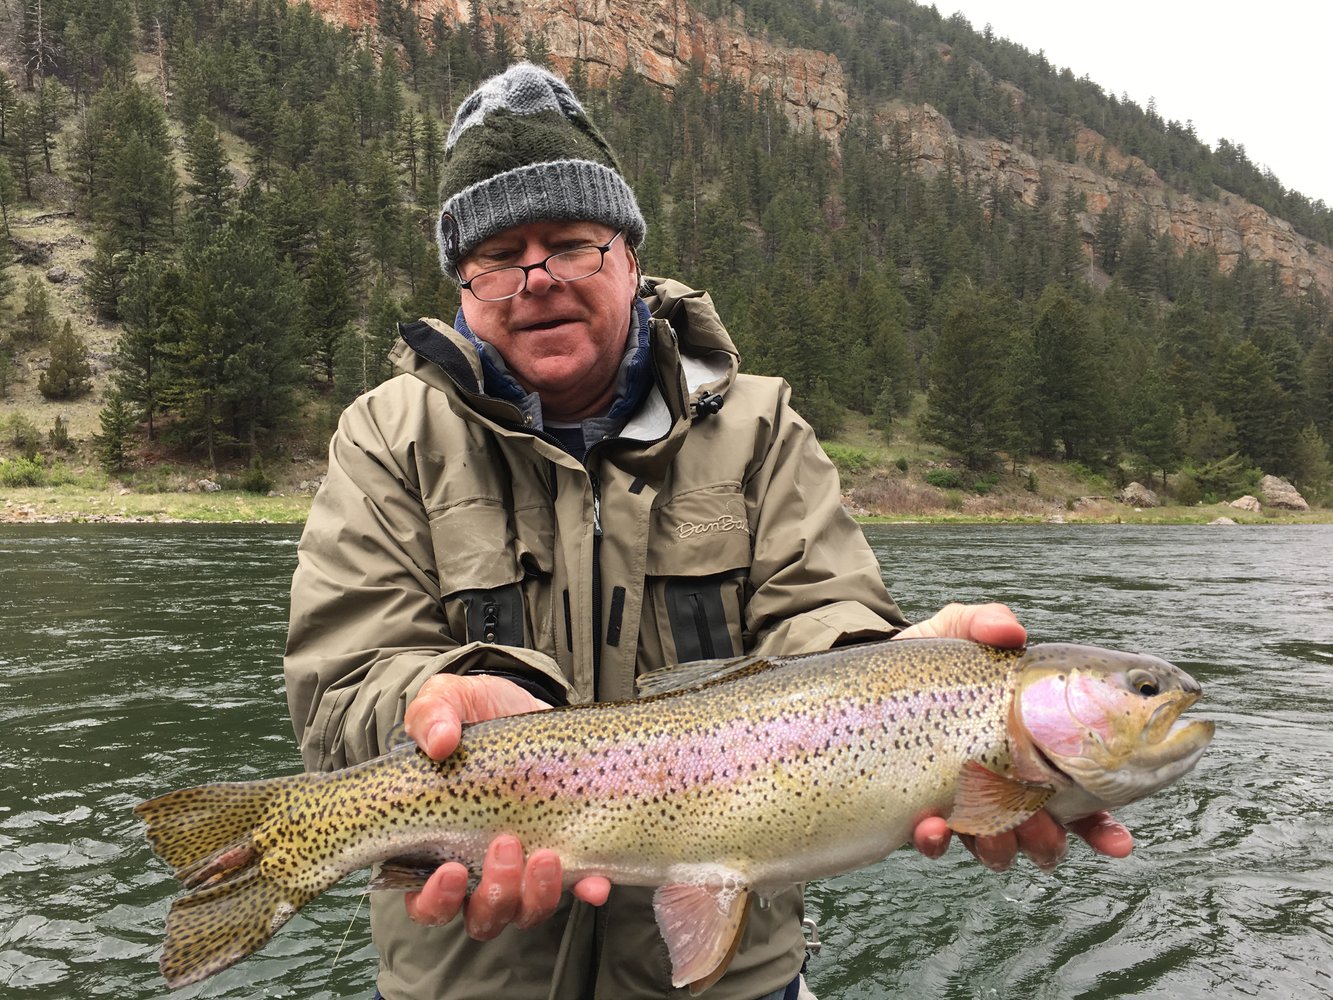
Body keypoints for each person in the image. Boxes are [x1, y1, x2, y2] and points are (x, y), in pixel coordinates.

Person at [284, 62, 1131, 1000]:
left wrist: (897, 680)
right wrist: (437, 698)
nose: (536, 279)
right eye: (499, 254)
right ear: (461, 279)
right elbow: (339, 695)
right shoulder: (386, 434)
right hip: (469, 976)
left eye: (570, 243)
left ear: (629, 258)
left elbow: (826, 623)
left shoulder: (762, 429)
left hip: (734, 976)